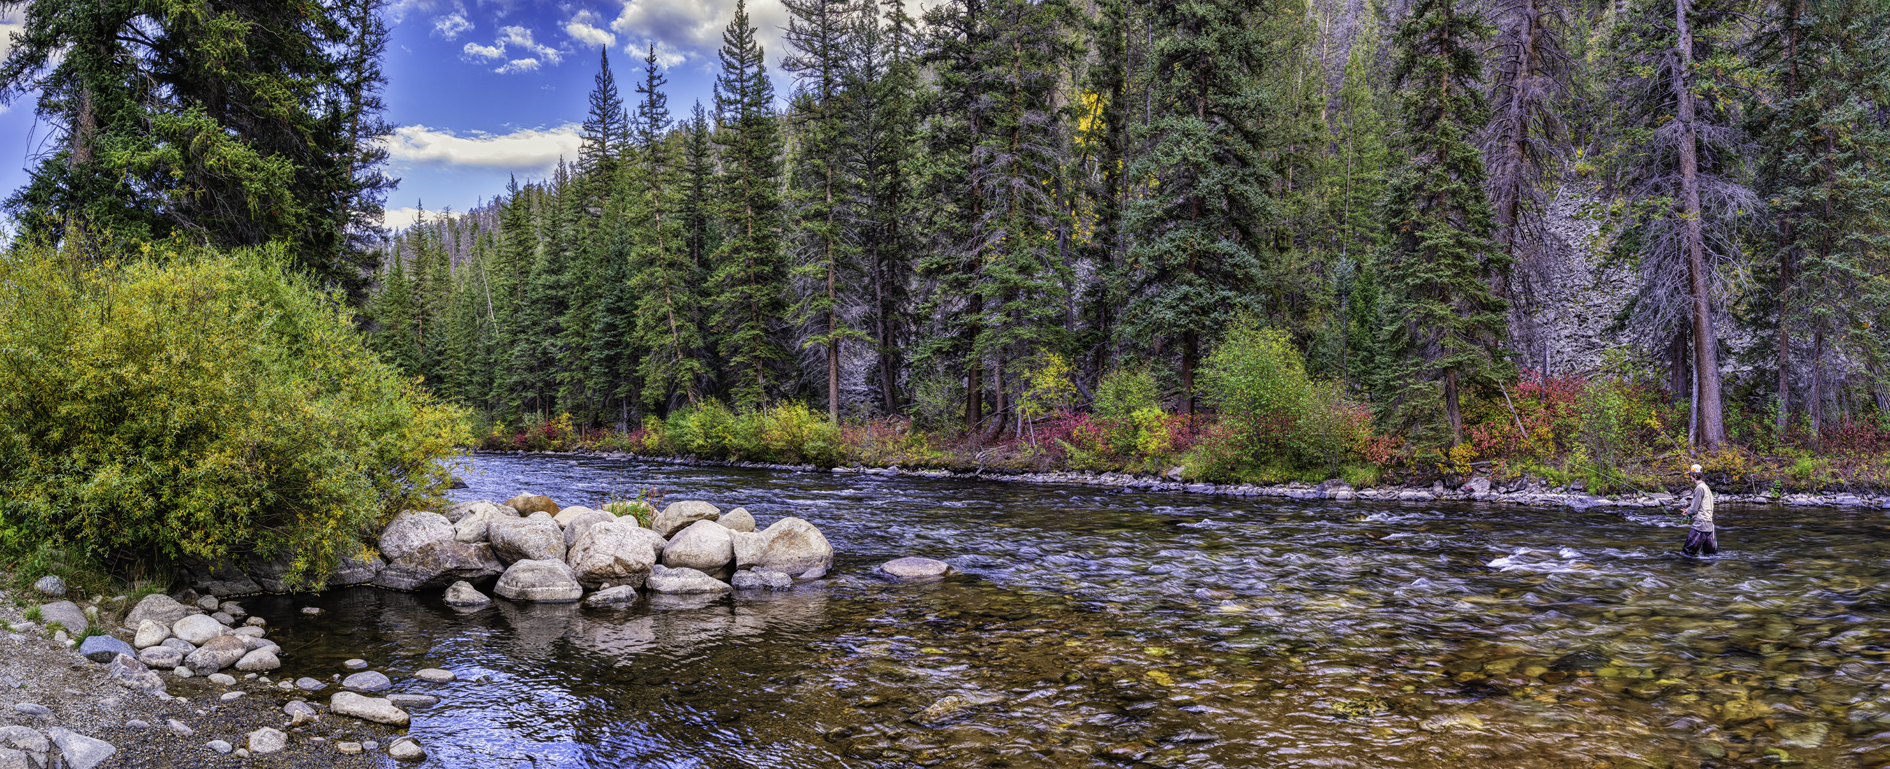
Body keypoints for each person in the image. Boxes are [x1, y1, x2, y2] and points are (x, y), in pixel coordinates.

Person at [1680, 464, 1718, 556]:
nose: (1689, 477)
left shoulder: (1699, 489)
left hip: (1700, 525)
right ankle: (1707, 570)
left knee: (1686, 553)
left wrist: (1688, 511)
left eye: (1690, 474)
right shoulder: (1706, 487)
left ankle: (1686, 569)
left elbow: (1694, 509)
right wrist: (1689, 511)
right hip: (1709, 525)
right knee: (1709, 555)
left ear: (1695, 475)